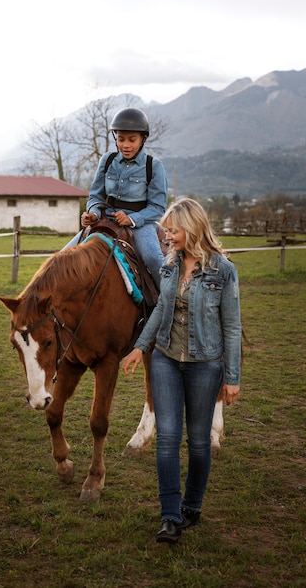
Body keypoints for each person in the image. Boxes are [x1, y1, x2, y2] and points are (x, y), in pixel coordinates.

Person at [122, 197, 241, 544]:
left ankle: (192, 506)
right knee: (168, 439)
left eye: (173, 231)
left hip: (206, 365)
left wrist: (232, 377)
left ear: (191, 229)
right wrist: (139, 347)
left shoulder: (223, 270)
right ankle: (170, 516)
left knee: (199, 442)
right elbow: (160, 309)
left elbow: (232, 327)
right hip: (166, 359)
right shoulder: (170, 265)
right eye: (167, 231)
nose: (167, 237)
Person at [81, 107, 168, 287]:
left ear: (143, 138)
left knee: (153, 258)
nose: (125, 145)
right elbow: (95, 196)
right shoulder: (107, 160)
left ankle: (169, 301)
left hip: (140, 223)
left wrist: (131, 219)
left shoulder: (154, 166)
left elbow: (158, 208)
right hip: (106, 217)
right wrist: (93, 214)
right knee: (68, 252)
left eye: (131, 140)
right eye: (121, 139)